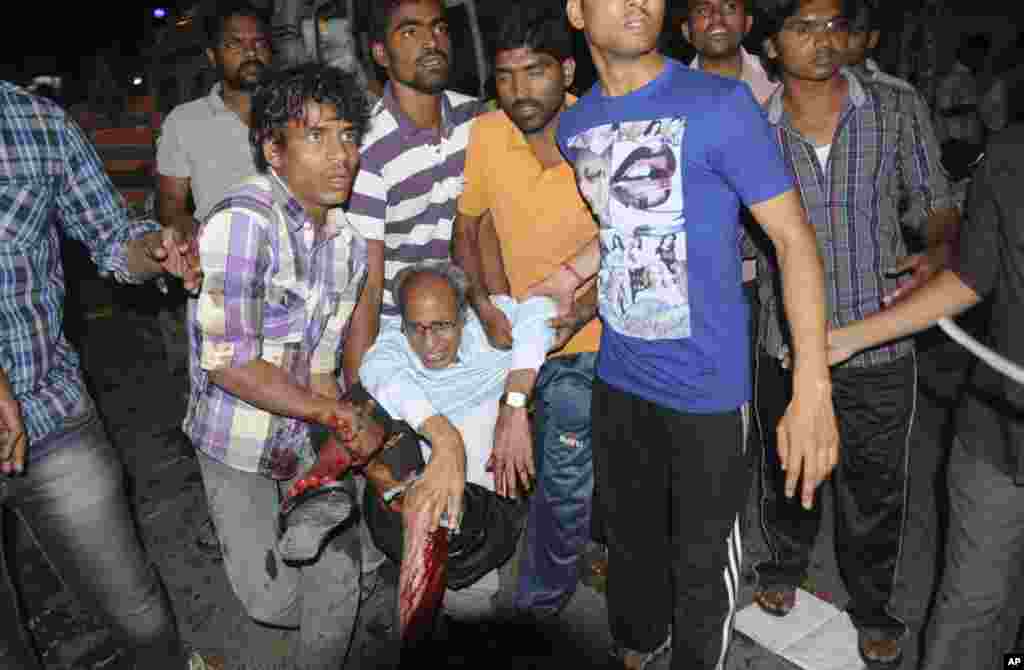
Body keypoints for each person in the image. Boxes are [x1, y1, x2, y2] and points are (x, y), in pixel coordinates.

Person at [529, 1, 840, 667]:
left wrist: (811, 385)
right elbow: (627, 217)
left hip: (708, 388)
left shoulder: (721, 105)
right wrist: (571, 275)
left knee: (703, 573)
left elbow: (792, 238)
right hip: (618, 379)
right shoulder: (577, 124)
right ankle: (639, 647)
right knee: (632, 547)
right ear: (577, 12)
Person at [753, 1, 959, 666]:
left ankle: (871, 605)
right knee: (788, 469)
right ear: (771, 43)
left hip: (880, 335)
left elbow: (937, 202)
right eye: (802, 26)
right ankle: (783, 566)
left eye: (833, 23)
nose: (823, 39)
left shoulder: (896, 107)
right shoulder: (752, 129)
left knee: (875, 484)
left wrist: (935, 249)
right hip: (785, 341)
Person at [0, 81, 210, 669]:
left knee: (141, 620)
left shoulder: (37, 123)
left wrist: (156, 249)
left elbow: (113, 238)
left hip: (50, 413)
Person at [183, 64, 372, 670]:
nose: (341, 154)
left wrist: (338, 426)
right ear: (273, 147)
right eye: (316, 136)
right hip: (235, 440)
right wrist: (332, 409)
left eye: (348, 134)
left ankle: (339, 569)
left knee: (332, 583)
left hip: (300, 438)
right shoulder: (244, 222)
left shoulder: (348, 245)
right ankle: (339, 568)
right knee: (268, 600)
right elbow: (228, 365)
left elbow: (320, 366)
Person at [826, 120, 1024, 670]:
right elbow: (971, 276)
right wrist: (850, 338)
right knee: (972, 608)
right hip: (999, 434)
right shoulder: (1010, 155)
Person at [450, 5, 603, 619]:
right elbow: (470, 228)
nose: (520, 91)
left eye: (535, 72)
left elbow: (628, 241)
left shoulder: (599, 129)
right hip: (514, 336)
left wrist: (580, 310)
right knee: (510, 461)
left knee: (565, 477)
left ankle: (539, 606)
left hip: (590, 336)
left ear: (566, 70)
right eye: (506, 76)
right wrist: (484, 302)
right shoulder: (488, 134)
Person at [359, 260, 557, 618]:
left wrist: (514, 401)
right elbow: (377, 370)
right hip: (431, 435)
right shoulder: (395, 338)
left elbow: (542, 312)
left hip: (489, 436)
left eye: (442, 327)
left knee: (479, 448)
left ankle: (467, 602)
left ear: (464, 316)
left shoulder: (491, 324)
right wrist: (444, 436)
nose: (429, 344)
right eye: (416, 329)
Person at [156, 0, 274, 561]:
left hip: (295, 285)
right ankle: (233, 524)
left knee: (296, 394)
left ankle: (300, 506)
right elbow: (173, 203)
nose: (250, 52)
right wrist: (183, 235)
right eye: (235, 43)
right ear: (212, 55)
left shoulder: (294, 111)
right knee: (218, 406)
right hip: (221, 287)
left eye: (257, 41)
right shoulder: (185, 122)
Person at [345, 0, 482, 387]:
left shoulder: (477, 121)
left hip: (471, 323)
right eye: (410, 32)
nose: (430, 42)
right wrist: (359, 394)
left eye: (438, 28)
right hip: (401, 335)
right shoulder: (366, 151)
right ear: (380, 54)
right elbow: (367, 289)